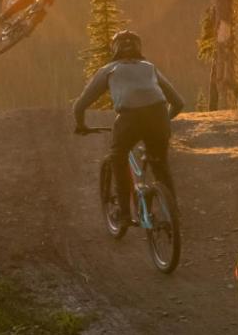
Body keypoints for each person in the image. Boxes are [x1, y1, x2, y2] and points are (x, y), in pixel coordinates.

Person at [73, 30, 185, 225]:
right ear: (138, 48)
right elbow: (178, 102)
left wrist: (81, 125)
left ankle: (124, 214)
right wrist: (164, 120)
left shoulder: (110, 69)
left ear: (115, 49)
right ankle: (173, 212)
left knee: (118, 158)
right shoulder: (150, 67)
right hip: (158, 117)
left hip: (129, 120)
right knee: (160, 164)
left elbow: (80, 105)